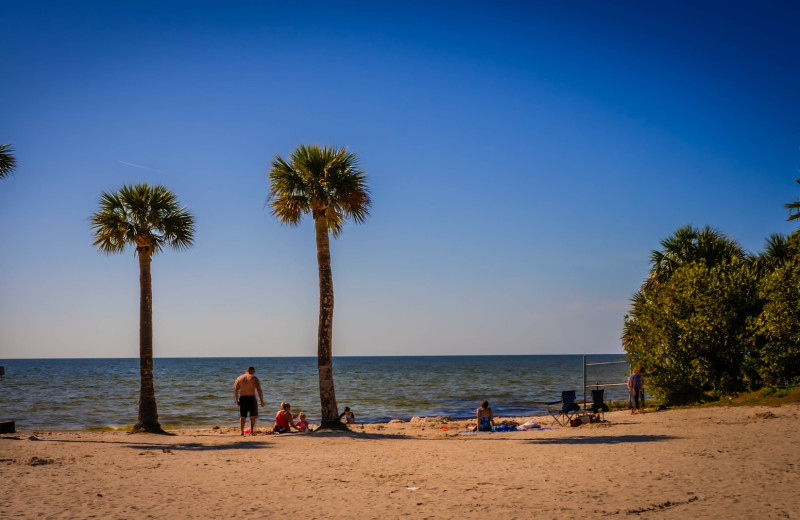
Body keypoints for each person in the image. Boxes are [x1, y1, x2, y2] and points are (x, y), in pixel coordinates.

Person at [233, 366, 264, 435]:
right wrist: (261, 400)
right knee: (254, 415)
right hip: (251, 398)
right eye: (254, 371)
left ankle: (242, 431)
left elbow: (235, 389)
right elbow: (259, 389)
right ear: (252, 371)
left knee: (243, 416)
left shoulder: (239, 378)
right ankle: (251, 430)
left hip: (242, 398)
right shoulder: (254, 378)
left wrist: (236, 399)